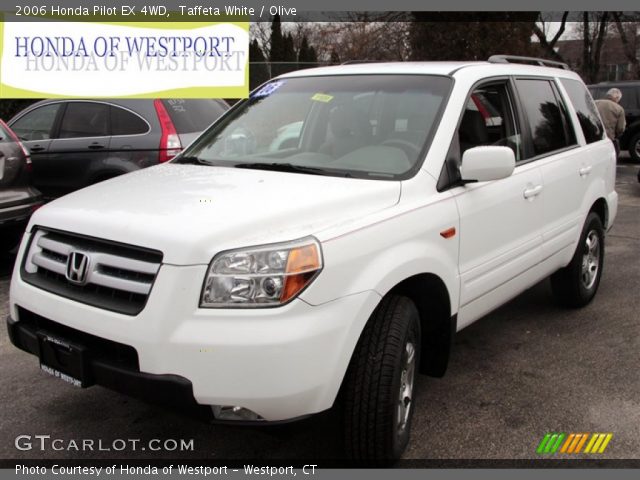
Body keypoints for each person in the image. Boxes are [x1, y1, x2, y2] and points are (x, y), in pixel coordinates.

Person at [595, 88, 626, 158]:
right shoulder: (619, 109)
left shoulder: (595, 103)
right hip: (608, 139)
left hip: (593, 139)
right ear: (617, 97)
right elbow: (620, 128)